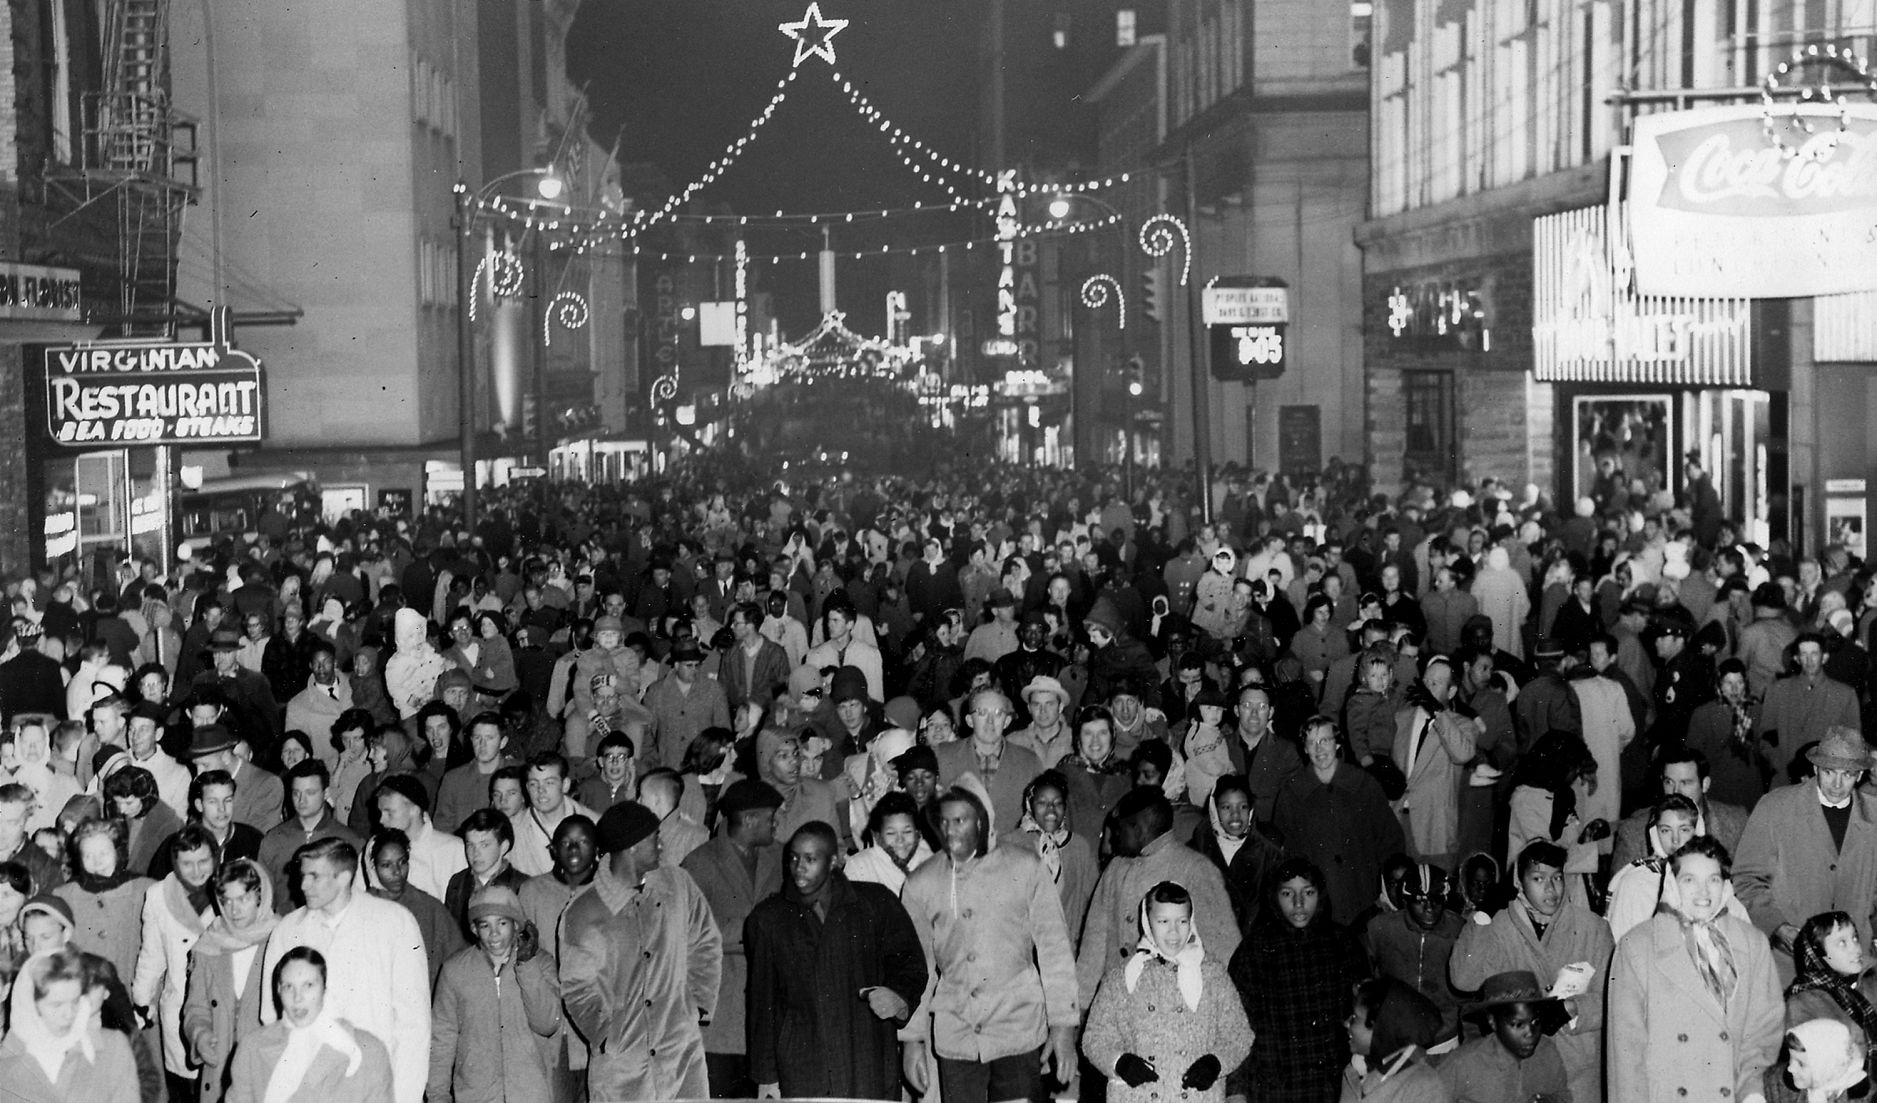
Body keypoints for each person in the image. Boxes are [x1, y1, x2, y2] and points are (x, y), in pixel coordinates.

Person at [899, 779, 1079, 1103]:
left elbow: (1055, 951)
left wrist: (1063, 1027)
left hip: (1018, 1030)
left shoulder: (1025, 868)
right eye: (944, 821)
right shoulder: (921, 883)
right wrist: (912, 1039)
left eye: (961, 820)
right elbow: (914, 967)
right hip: (957, 1034)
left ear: (982, 821)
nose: (950, 830)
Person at [745, 821, 929, 1100]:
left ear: (834, 861)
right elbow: (762, 1004)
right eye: (793, 858)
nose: (799, 868)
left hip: (866, 1059)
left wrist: (898, 997)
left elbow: (910, 964)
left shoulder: (876, 903)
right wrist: (767, 1078)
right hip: (801, 1065)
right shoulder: (769, 918)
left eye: (810, 859)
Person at [559, 801, 724, 1100]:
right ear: (631, 847)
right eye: (654, 837)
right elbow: (576, 988)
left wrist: (697, 1003)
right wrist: (609, 1036)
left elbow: (705, 940)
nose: (661, 844)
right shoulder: (583, 911)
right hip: (623, 1072)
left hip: (681, 1060)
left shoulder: (677, 883)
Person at [1608, 835, 1784, 1103]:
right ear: (1672, 883)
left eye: (1713, 880)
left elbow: (1763, 1032)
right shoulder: (1637, 947)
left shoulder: (1752, 944)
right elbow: (1626, 1055)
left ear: (1725, 884)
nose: (1703, 893)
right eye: (1689, 880)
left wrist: (1753, 1091)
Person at [259, 838, 431, 1103]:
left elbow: (414, 1025)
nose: (303, 885)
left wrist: (404, 1096)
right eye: (303, 875)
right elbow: (273, 1019)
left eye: (314, 876)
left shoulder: (395, 922)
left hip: (374, 1088)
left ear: (344, 877)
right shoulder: (288, 930)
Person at [1451, 841, 1614, 1103]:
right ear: (1519, 881)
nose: (1551, 889)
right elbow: (1464, 979)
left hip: (1579, 1072)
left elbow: (1614, 998)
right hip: (1520, 1072)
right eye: (1538, 878)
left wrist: (1573, 1008)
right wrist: (1483, 915)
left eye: (1557, 878)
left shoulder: (1593, 928)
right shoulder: (1499, 927)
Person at [1081, 881, 1252, 1103]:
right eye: (1163, 921)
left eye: (1182, 921)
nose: (1173, 932)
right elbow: (1094, 1037)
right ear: (1147, 922)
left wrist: (1215, 1063)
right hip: (1136, 1097)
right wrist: (1119, 1062)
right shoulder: (1122, 977)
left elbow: (1239, 1034)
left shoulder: (1212, 975)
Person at [1733, 727, 1877, 977]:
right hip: (1791, 962)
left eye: (1847, 774)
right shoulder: (1775, 807)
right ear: (1814, 768)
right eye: (1829, 772)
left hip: (1856, 963)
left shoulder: (1874, 814)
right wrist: (1777, 926)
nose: (1837, 784)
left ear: (1861, 774)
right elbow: (1746, 879)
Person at [1079, 786, 1243, 1004]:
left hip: (1173, 1006)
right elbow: (1094, 944)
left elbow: (1225, 951)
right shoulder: (1116, 868)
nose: (1113, 840)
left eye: (1119, 831)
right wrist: (1080, 1004)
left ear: (1138, 830)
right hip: (1117, 1003)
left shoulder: (1195, 869)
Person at [1226, 857, 1370, 1103]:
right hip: (1276, 1086)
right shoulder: (1255, 950)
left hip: (1334, 1084)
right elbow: (1235, 1025)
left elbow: (1368, 1015)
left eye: (1308, 892)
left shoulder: (1343, 945)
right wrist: (1237, 1089)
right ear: (1274, 897)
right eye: (1287, 893)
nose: (1299, 903)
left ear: (1320, 895)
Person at [679, 778, 783, 1097]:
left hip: (771, 1011)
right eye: (771, 817)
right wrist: (757, 929)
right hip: (720, 1017)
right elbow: (690, 932)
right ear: (749, 820)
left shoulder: (782, 856)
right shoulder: (698, 863)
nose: (776, 823)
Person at [428, 883, 562, 1103]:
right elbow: (442, 1037)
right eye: (485, 925)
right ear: (474, 929)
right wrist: (438, 1094)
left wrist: (527, 964)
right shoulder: (455, 971)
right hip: (476, 1095)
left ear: (517, 926)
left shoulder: (541, 963)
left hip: (531, 1094)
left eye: (502, 923)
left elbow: (547, 1024)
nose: (494, 934)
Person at [1272, 715, 1405, 925]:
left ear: (1337, 743)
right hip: (1315, 902)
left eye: (1325, 740)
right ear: (1304, 749)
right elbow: (1285, 851)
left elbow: (1390, 841)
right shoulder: (1292, 792)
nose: (1319, 749)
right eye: (1311, 742)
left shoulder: (1364, 785)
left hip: (1363, 897)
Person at [226, 947, 396, 1103]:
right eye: (288, 987)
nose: (297, 998)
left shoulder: (368, 1051)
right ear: (278, 990)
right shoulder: (252, 1049)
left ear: (324, 988)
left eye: (308, 985)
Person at [131, 822, 218, 1100]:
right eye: (187, 863)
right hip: (179, 1007)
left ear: (215, 859)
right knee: (184, 1091)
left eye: (203, 861)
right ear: (175, 863)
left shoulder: (229, 891)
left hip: (222, 1009)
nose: (197, 871)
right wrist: (142, 998)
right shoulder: (159, 896)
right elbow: (152, 955)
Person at [182, 858, 278, 1103]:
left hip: (267, 1067)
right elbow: (195, 1007)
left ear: (260, 896)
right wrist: (200, 1033)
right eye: (226, 900)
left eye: (243, 899)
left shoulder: (281, 940)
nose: (234, 910)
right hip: (220, 1066)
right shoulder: (209, 944)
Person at [0, 948, 139, 1103]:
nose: (69, 1014)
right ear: (31, 1006)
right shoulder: (7, 1065)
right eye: (56, 1005)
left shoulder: (113, 1048)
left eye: (75, 1001)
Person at [1362, 863, 1465, 1053]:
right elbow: (1364, 981)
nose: (1429, 908)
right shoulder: (1381, 929)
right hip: (1395, 1037)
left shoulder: (1460, 930)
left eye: (1437, 900)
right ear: (1405, 901)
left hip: (1443, 1038)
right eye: (1420, 900)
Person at [1435, 970, 1572, 1103]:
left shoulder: (1547, 1052)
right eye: (1517, 1024)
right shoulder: (1464, 1063)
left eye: (1535, 1022)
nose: (1530, 1033)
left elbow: (1563, 1096)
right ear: (1493, 1022)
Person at [52, 816, 152, 984]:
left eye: (103, 853)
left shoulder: (145, 890)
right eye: (88, 855)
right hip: (85, 990)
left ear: (117, 852)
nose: (97, 862)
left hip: (132, 989)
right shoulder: (65, 895)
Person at [1006, 770, 1099, 949]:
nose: (1051, 810)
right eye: (1042, 803)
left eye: (1058, 803)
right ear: (1030, 805)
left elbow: (1092, 904)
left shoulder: (1078, 847)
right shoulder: (1010, 844)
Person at [257, 760, 363, 912]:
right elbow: (264, 895)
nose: (302, 800)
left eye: (310, 793)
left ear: (325, 793)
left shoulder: (350, 840)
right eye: (296, 793)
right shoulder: (273, 839)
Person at [1191, 773, 1285, 932]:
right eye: (1226, 807)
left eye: (1243, 806)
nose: (1235, 815)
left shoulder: (1269, 853)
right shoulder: (1197, 849)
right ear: (1214, 809)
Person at [1336, 976, 1449, 1103]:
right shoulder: (1353, 1072)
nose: (1346, 1023)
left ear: (1382, 1028)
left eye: (1355, 1018)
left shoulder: (1423, 1085)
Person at [442, 807, 528, 937]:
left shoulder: (523, 886)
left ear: (503, 846)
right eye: (470, 845)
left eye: (484, 845)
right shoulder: (458, 882)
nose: (475, 853)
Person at [433, 711, 519, 835]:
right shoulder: (453, 779)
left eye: (489, 738)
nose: (482, 745)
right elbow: (442, 829)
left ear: (503, 742)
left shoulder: (519, 773)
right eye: (477, 738)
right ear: (471, 740)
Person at [845, 790, 935, 894]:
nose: (900, 840)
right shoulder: (859, 866)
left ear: (917, 833)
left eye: (907, 831)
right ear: (878, 835)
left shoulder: (929, 860)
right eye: (891, 833)